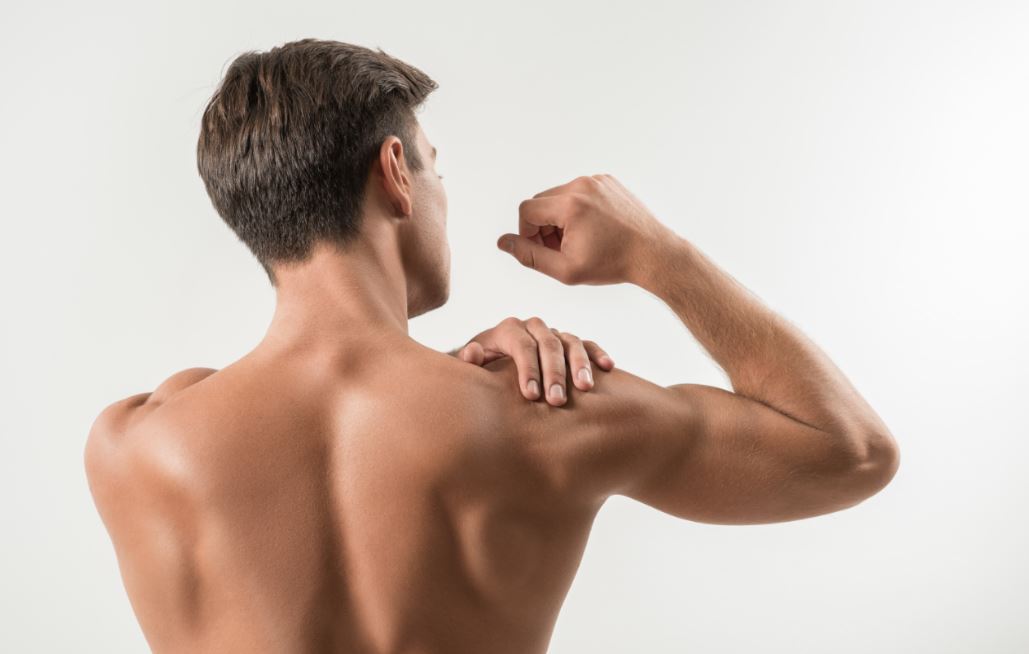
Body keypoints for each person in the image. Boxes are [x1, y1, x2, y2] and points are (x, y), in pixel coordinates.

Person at [84, 39, 900, 654]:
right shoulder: (544, 413)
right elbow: (850, 452)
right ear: (394, 171)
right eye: (435, 168)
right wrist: (660, 256)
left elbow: (322, 434)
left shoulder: (139, 444)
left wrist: (435, 371)